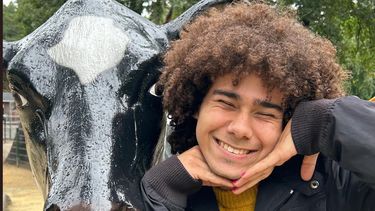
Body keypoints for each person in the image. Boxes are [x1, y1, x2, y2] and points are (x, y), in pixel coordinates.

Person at [141, 2, 375, 211]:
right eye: (225, 103)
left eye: (265, 113)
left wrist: (326, 122)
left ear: (288, 122)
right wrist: (163, 193)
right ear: (195, 105)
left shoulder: (338, 185)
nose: (241, 129)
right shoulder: (164, 186)